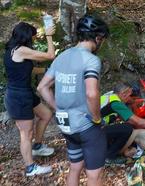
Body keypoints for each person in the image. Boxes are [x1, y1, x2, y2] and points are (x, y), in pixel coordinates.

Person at [37, 15, 109, 186]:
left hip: (66, 125)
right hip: (86, 126)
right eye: (103, 39)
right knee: (94, 175)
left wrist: (57, 108)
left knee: (75, 166)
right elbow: (92, 94)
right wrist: (97, 118)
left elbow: (42, 87)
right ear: (98, 37)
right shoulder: (91, 60)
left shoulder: (62, 56)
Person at [3, 22, 55, 176]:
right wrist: (49, 36)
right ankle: (30, 168)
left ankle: (37, 146)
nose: (34, 39)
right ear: (26, 37)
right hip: (18, 97)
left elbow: (27, 69)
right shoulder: (21, 50)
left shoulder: (12, 50)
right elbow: (50, 55)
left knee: (46, 114)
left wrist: (48, 71)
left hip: (24, 93)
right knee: (26, 133)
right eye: (33, 37)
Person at [100, 82, 145, 159]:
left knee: (125, 126)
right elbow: (137, 121)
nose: (130, 99)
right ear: (123, 93)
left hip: (92, 130)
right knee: (128, 128)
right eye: (129, 96)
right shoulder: (116, 103)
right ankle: (110, 156)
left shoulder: (109, 96)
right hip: (95, 132)